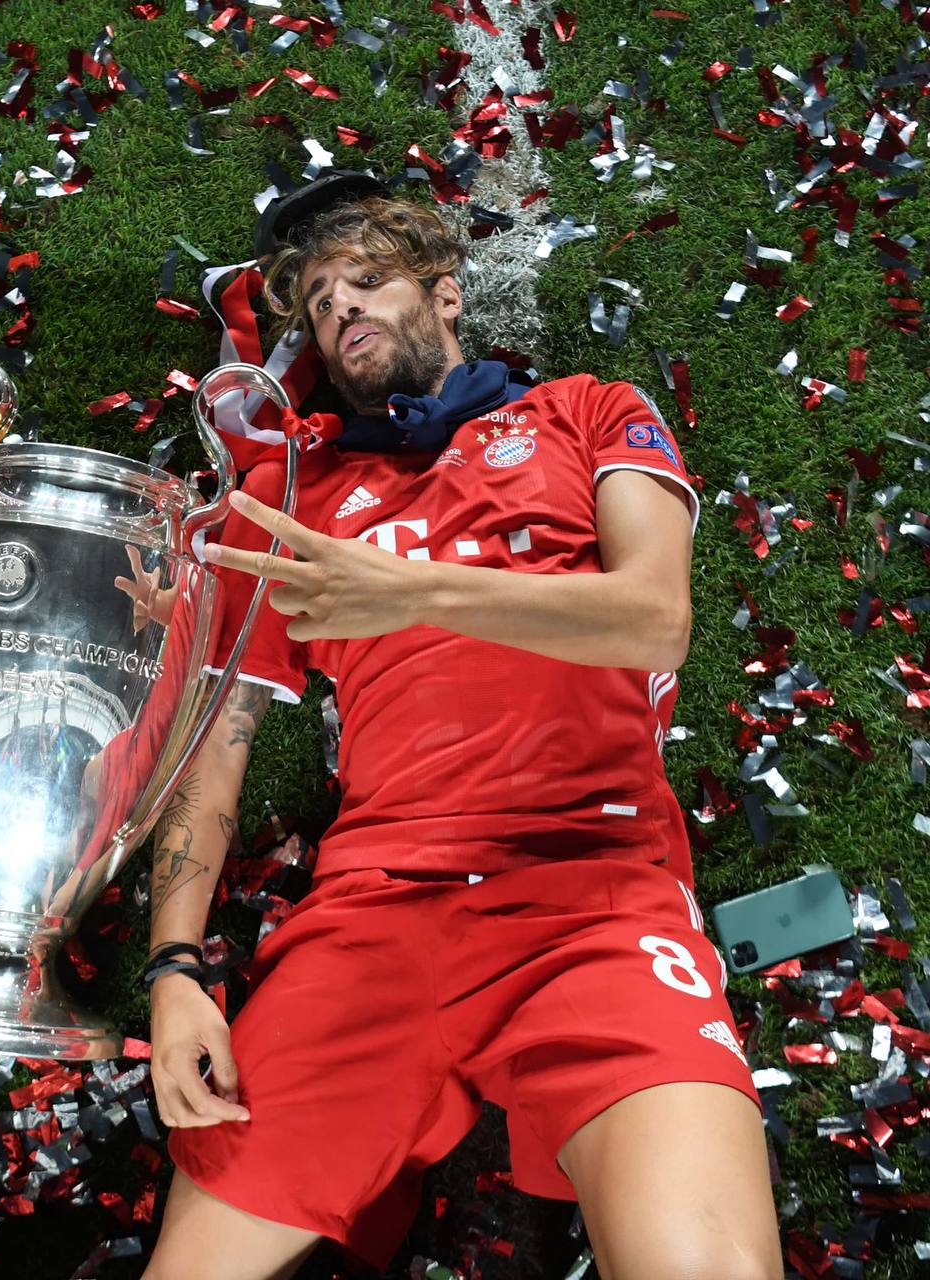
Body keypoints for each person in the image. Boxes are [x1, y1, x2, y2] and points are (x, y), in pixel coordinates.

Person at [137, 177, 785, 1280]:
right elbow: (218, 746)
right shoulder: (296, 503)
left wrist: (412, 592)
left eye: (366, 279)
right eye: (317, 303)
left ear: (444, 294)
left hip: (593, 890)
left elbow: (656, 618)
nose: (340, 308)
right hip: (375, 913)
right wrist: (171, 970)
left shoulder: (586, 411)